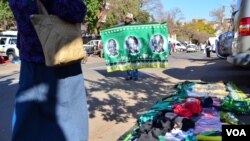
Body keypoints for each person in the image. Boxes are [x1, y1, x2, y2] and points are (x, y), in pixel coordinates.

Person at [9, 1, 88, 141]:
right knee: (68, 121)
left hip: (29, 61)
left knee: (29, 119)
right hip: (60, 59)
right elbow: (75, 11)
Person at [123, 13, 139, 81]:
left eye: (129, 18)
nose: (127, 19)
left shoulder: (134, 25)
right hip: (127, 46)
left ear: (131, 19)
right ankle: (129, 75)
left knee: (134, 62)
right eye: (127, 18)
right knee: (127, 62)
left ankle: (135, 76)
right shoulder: (123, 26)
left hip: (134, 45)